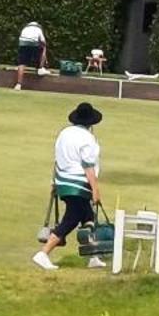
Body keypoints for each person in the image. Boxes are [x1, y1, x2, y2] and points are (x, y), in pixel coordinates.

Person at [35, 103, 105, 271]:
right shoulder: (88, 138)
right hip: (78, 184)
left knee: (88, 217)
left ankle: (93, 256)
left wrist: (54, 183)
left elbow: (57, 159)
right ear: (91, 123)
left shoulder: (64, 134)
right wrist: (95, 189)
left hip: (62, 181)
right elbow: (88, 165)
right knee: (72, 218)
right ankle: (43, 253)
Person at [15, 20, 47, 89]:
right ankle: (40, 68)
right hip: (33, 43)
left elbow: (21, 39)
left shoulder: (25, 28)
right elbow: (43, 41)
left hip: (22, 44)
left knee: (21, 64)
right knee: (43, 47)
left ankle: (18, 84)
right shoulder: (38, 29)